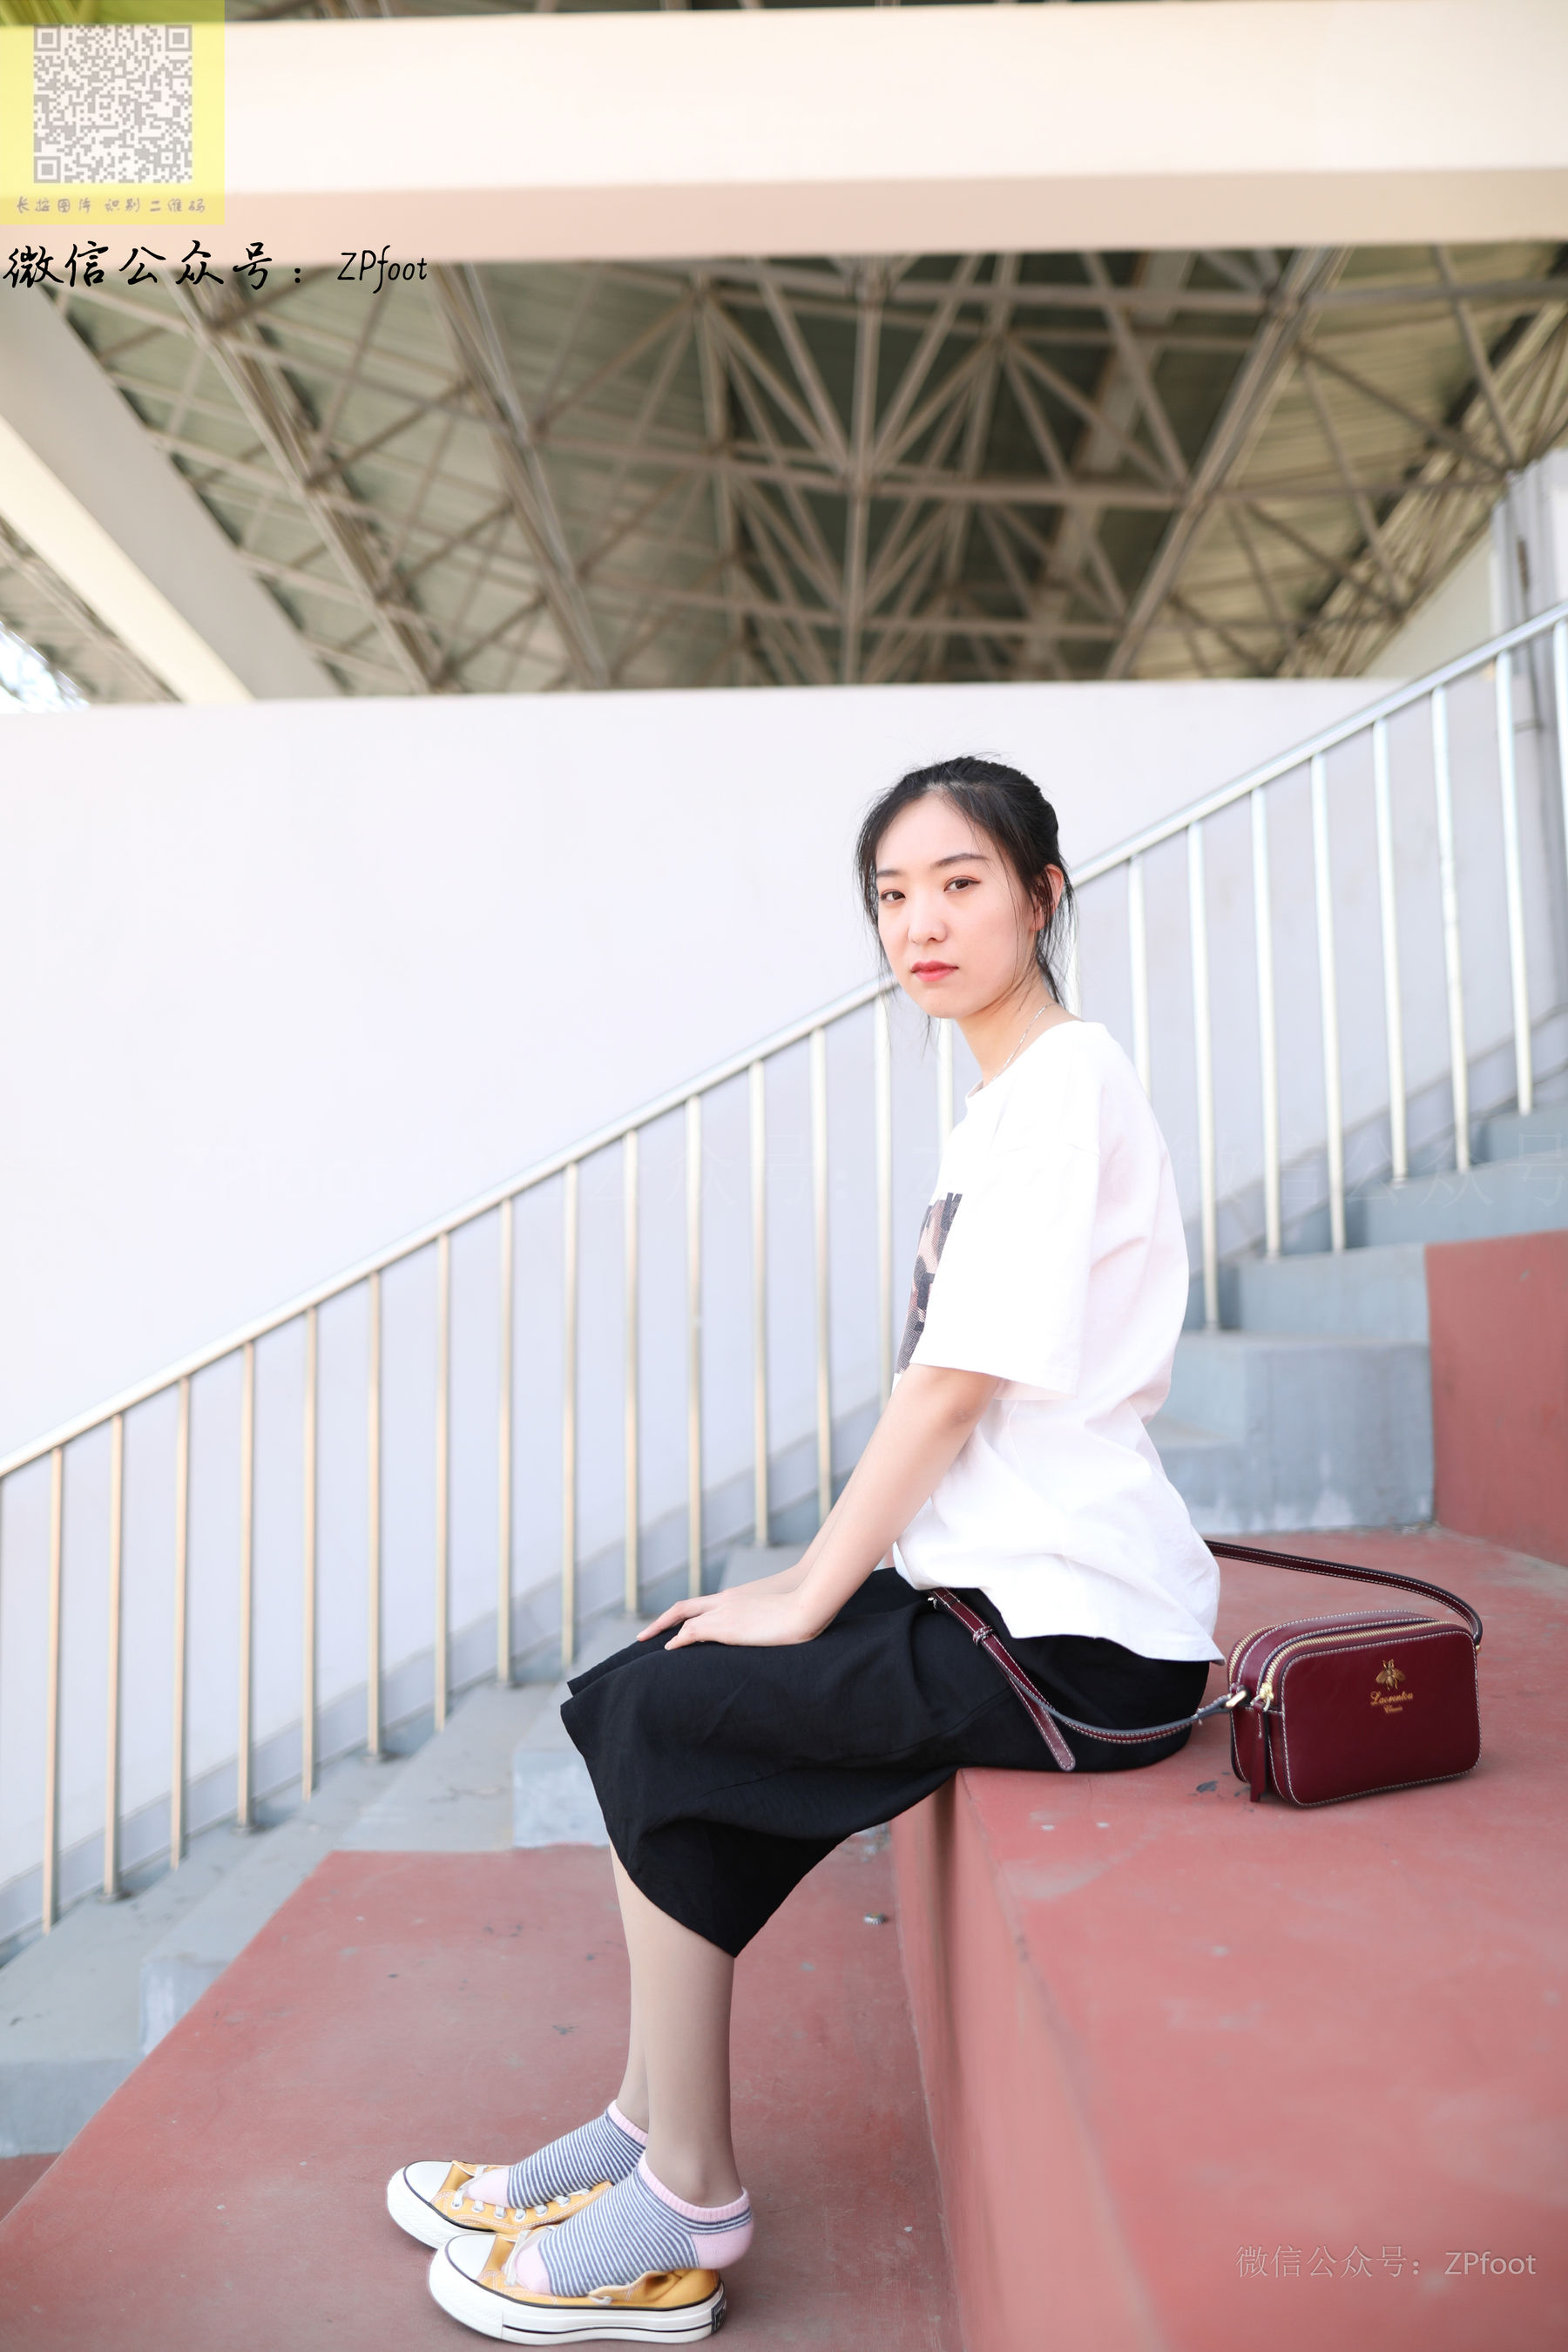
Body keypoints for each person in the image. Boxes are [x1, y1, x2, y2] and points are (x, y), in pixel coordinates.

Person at [390, 755, 1224, 2342]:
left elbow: (950, 1389)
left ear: (1044, 895)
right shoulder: (1005, 1099)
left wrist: (811, 1590)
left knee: (665, 1711)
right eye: (893, 896)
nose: (922, 923)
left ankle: (687, 2195)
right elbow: (947, 1401)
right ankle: (643, 2123)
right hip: (990, 1593)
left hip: (1077, 1643)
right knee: (638, 1688)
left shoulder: (1065, 1086)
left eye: (961, 884)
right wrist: (797, 1585)